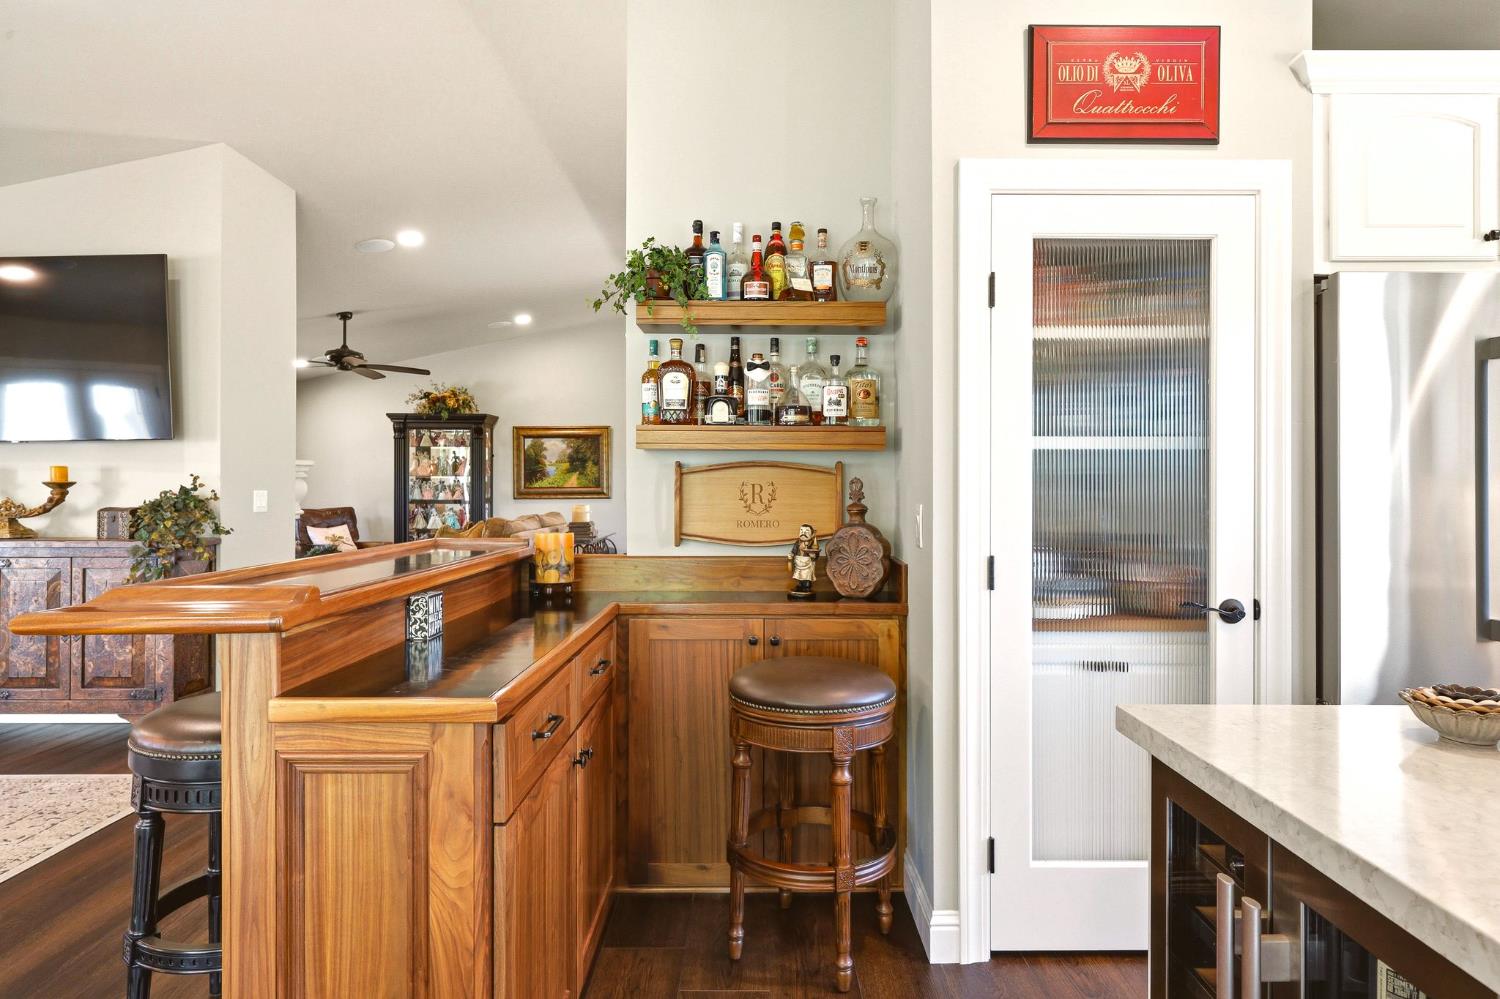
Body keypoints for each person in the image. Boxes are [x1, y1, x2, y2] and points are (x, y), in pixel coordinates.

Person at [787, 523, 820, 600]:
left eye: (806, 531)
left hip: (807, 563)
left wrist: (813, 556)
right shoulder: (797, 542)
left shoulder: (812, 543)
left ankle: (806, 586)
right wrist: (791, 554)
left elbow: (816, 552)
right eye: (801, 531)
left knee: (806, 576)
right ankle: (800, 585)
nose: (803, 533)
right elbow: (794, 550)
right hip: (798, 561)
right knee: (799, 575)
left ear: (811, 534)